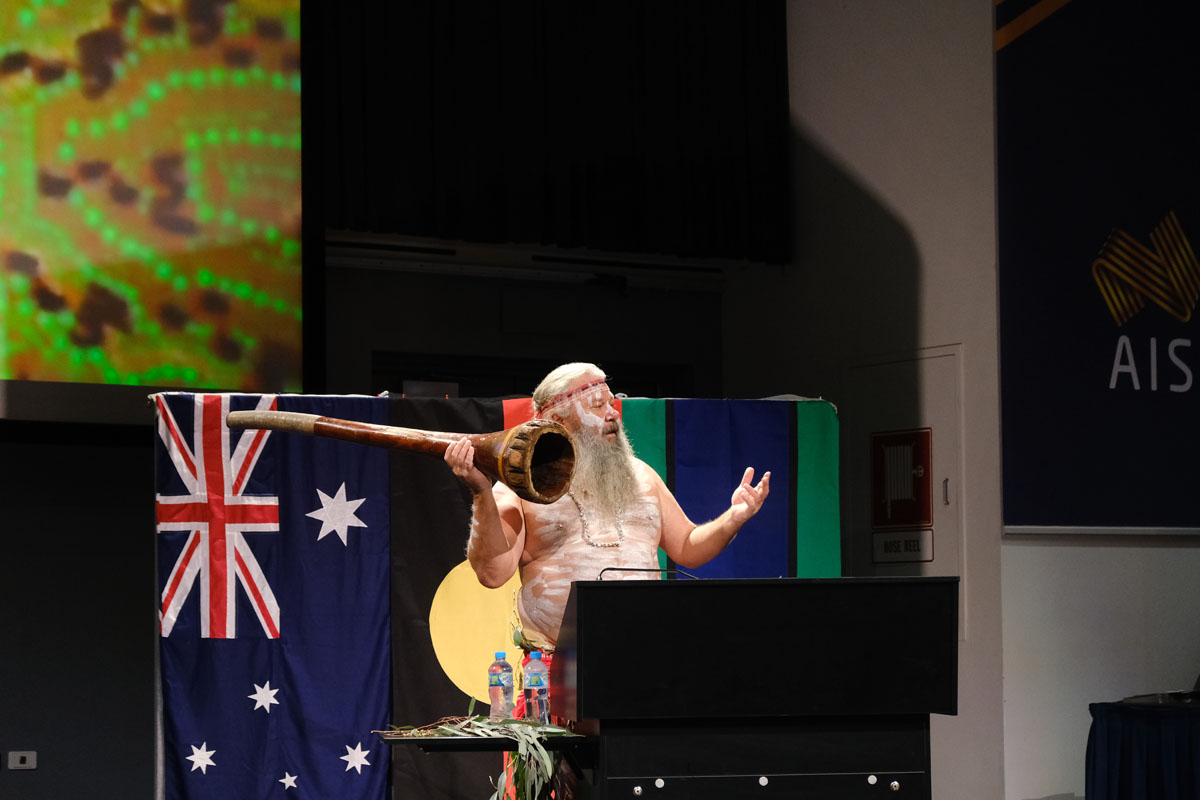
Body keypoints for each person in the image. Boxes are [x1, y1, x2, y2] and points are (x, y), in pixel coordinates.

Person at [443, 362, 771, 653]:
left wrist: (733, 518)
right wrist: (481, 492)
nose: (613, 414)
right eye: (598, 406)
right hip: (559, 668)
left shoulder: (642, 476)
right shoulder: (522, 487)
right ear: (556, 419)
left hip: (646, 654)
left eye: (611, 403)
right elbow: (492, 573)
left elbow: (687, 547)